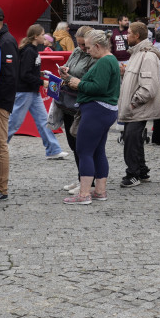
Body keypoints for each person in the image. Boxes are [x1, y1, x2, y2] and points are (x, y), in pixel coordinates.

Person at [61, 30, 120, 204]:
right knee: (98, 151)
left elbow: (98, 87)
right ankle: (100, 191)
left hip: (96, 110)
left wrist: (78, 83)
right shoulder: (110, 60)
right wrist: (72, 78)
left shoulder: (104, 62)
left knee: (84, 151)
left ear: (97, 46)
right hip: (104, 110)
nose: (86, 51)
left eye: (88, 47)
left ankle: (84, 194)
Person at [8, 24, 68, 160]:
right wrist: (43, 82)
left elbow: (26, 71)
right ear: (35, 36)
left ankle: (53, 149)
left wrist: (40, 74)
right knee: (14, 122)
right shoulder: (30, 51)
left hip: (31, 92)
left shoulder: (31, 50)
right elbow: (25, 74)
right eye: (42, 34)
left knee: (43, 120)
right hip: (25, 91)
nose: (44, 36)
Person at [118, 22, 160, 188]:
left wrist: (134, 102)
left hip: (137, 107)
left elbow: (149, 87)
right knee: (133, 139)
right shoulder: (136, 53)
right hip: (134, 107)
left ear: (136, 36)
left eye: (129, 33)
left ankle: (133, 174)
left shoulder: (147, 56)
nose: (126, 36)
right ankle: (141, 171)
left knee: (131, 140)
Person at [57, 26, 96, 194]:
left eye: (84, 45)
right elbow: (69, 66)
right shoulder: (77, 52)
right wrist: (63, 70)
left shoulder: (94, 56)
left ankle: (89, 181)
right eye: (79, 44)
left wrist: (71, 78)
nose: (82, 48)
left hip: (82, 104)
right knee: (74, 145)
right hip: (68, 103)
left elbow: (89, 80)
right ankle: (81, 176)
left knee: (84, 146)